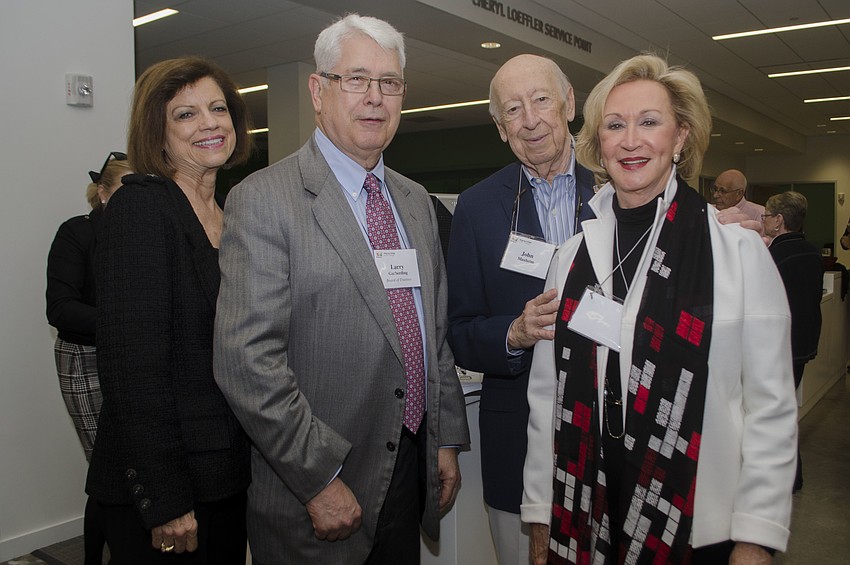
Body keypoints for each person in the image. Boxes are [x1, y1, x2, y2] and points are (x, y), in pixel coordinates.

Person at [213, 14, 469, 565]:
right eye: (356, 79)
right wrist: (319, 478)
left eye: (390, 82)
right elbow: (246, 362)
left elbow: (434, 331)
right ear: (318, 89)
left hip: (407, 470)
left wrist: (444, 439)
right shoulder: (264, 201)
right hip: (319, 491)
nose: (374, 98)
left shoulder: (416, 202)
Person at [523, 54, 797, 565]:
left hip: (696, 515)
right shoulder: (571, 258)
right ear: (598, 143)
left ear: (681, 138)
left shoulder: (737, 256)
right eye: (615, 125)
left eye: (650, 122)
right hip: (586, 507)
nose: (631, 140)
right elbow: (546, 398)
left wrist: (756, 537)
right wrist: (541, 514)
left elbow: (772, 407)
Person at [84, 57, 253, 564]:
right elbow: (134, 371)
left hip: (225, 473)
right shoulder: (141, 210)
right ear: (156, 131)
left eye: (219, 108)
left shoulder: (232, 215)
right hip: (170, 492)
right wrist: (166, 501)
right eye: (186, 114)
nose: (210, 123)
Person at [446, 54, 596, 564]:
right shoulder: (478, 207)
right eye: (512, 109)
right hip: (516, 435)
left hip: (609, 430)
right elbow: (459, 329)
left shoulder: (618, 191)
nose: (530, 119)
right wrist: (513, 332)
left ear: (569, 103)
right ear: (500, 127)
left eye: (540, 100)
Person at [47, 151, 131, 565]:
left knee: (129, 469)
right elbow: (59, 307)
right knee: (109, 472)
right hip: (86, 359)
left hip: (133, 360)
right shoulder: (77, 234)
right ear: (102, 192)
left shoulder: (144, 238)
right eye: (124, 191)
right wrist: (126, 323)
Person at [765, 191, 823, 493]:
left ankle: (786, 477)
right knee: (786, 411)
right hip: (804, 344)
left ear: (778, 221)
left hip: (779, 348)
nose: (763, 222)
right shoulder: (813, 252)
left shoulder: (774, 257)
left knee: (775, 415)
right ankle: (792, 474)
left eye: (766, 216)